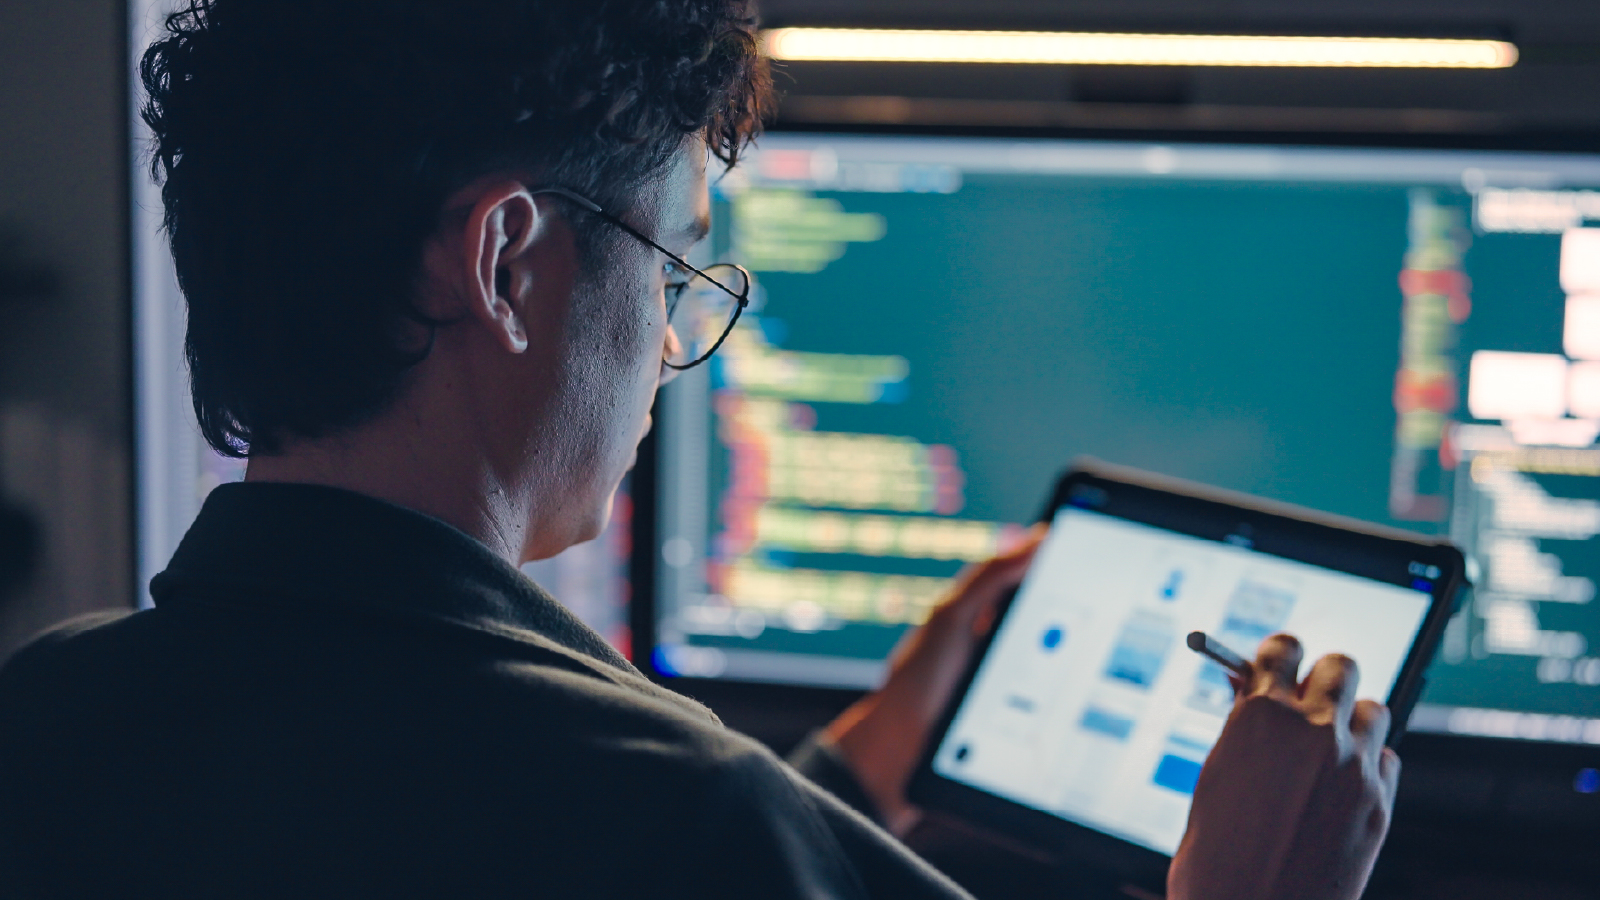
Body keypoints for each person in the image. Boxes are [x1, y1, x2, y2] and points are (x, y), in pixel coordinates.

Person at [0, 1, 1399, 897]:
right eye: (675, 263)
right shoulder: (697, 825)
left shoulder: (45, 712)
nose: (675, 342)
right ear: (504, 264)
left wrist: (867, 755)